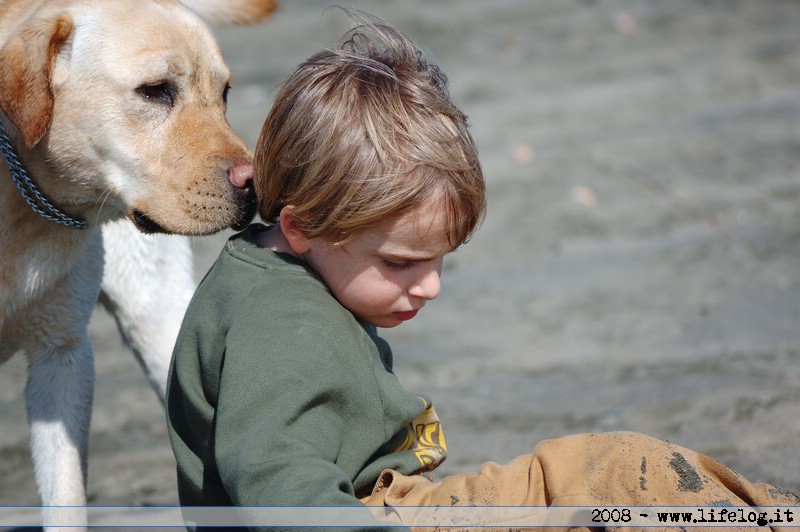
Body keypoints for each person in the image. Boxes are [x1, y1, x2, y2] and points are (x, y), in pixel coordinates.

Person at [166, 9, 798, 530]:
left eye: (441, 259)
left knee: (611, 474)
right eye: (399, 262)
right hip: (381, 516)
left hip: (398, 502)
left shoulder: (275, 273)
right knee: (613, 483)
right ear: (304, 226)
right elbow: (280, 493)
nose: (431, 285)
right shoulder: (281, 330)